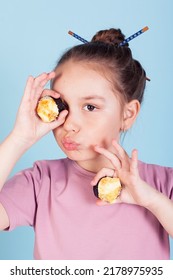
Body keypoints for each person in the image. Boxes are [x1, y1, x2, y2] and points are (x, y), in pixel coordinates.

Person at [0, 27, 173, 260]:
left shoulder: (163, 184)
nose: (69, 124)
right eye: (63, 106)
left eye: (90, 107)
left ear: (128, 114)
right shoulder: (41, 182)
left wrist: (152, 200)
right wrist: (19, 138)